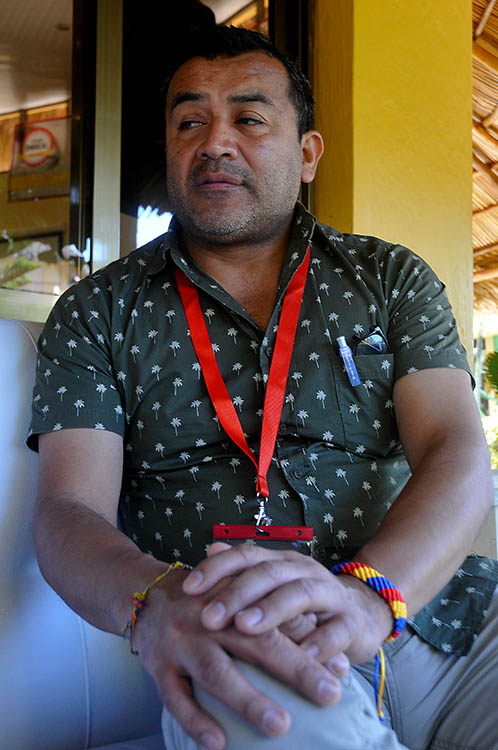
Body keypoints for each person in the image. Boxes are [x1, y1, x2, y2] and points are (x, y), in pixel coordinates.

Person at [29, 25, 498, 750]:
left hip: (447, 617)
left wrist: (371, 595)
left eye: (248, 119)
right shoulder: (99, 311)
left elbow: (456, 451)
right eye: (190, 122)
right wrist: (157, 602)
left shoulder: (389, 278)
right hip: (241, 635)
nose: (215, 142)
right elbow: (68, 511)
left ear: (307, 154)